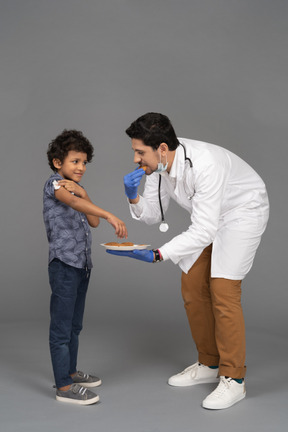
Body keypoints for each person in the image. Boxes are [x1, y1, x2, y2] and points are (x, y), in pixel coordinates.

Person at [106, 112, 269, 410]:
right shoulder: (159, 166)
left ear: (162, 149)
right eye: (135, 151)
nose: (135, 159)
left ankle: (234, 380)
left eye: (140, 152)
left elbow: (204, 229)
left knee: (223, 290)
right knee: (192, 284)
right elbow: (154, 215)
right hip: (212, 217)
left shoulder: (205, 163)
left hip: (244, 211)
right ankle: (209, 364)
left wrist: (158, 254)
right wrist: (133, 197)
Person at [43, 129, 128, 405]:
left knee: (75, 326)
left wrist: (85, 191)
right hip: (64, 266)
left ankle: (70, 371)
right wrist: (108, 213)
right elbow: (74, 203)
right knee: (61, 326)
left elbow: (92, 221)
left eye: (84, 163)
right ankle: (64, 388)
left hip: (81, 266)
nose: (81, 167)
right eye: (75, 161)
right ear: (58, 163)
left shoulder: (76, 188)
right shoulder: (54, 184)